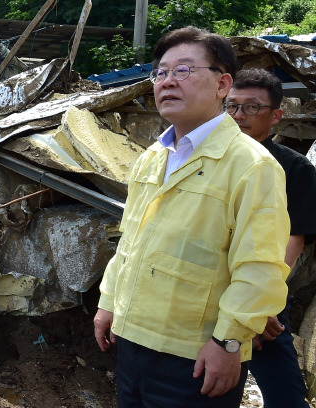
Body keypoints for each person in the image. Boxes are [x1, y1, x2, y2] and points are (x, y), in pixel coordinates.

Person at [94, 26, 291, 407]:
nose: (167, 81)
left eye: (183, 71)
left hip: (196, 356)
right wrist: (109, 303)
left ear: (222, 84)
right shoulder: (153, 157)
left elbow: (261, 267)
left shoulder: (251, 166)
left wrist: (228, 342)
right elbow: (131, 243)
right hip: (133, 342)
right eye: (161, 73)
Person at [226, 68, 316, 408]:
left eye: (251, 108)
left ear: (276, 116)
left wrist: (262, 303)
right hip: (209, 293)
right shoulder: (207, 159)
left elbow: (293, 239)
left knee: (285, 395)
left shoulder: (292, 168)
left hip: (264, 297)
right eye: (231, 106)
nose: (238, 116)